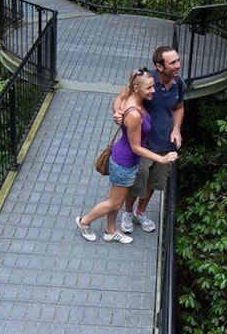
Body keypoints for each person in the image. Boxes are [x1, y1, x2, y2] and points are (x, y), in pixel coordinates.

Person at [76, 68, 178, 244]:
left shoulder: (132, 94)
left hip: (125, 160)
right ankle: (84, 222)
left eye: (153, 86)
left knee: (116, 199)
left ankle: (110, 231)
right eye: (149, 88)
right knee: (114, 203)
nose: (153, 90)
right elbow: (136, 147)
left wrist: (117, 111)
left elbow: (120, 98)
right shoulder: (133, 114)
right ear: (137, 88)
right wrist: (161, 159)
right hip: (125, 162)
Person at [115, 46, 185, 234]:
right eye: (173, 63)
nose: (178, 65)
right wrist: (118, 112)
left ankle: (140, 212)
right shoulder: (146, 80)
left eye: (178, 60)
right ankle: (127, 213)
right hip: (145, 145)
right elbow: (122, 97)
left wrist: (176, 129)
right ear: (159, 67)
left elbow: (178, 107)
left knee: (154, 182)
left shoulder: (178, 83)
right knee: (138, 182)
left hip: (165, 145)